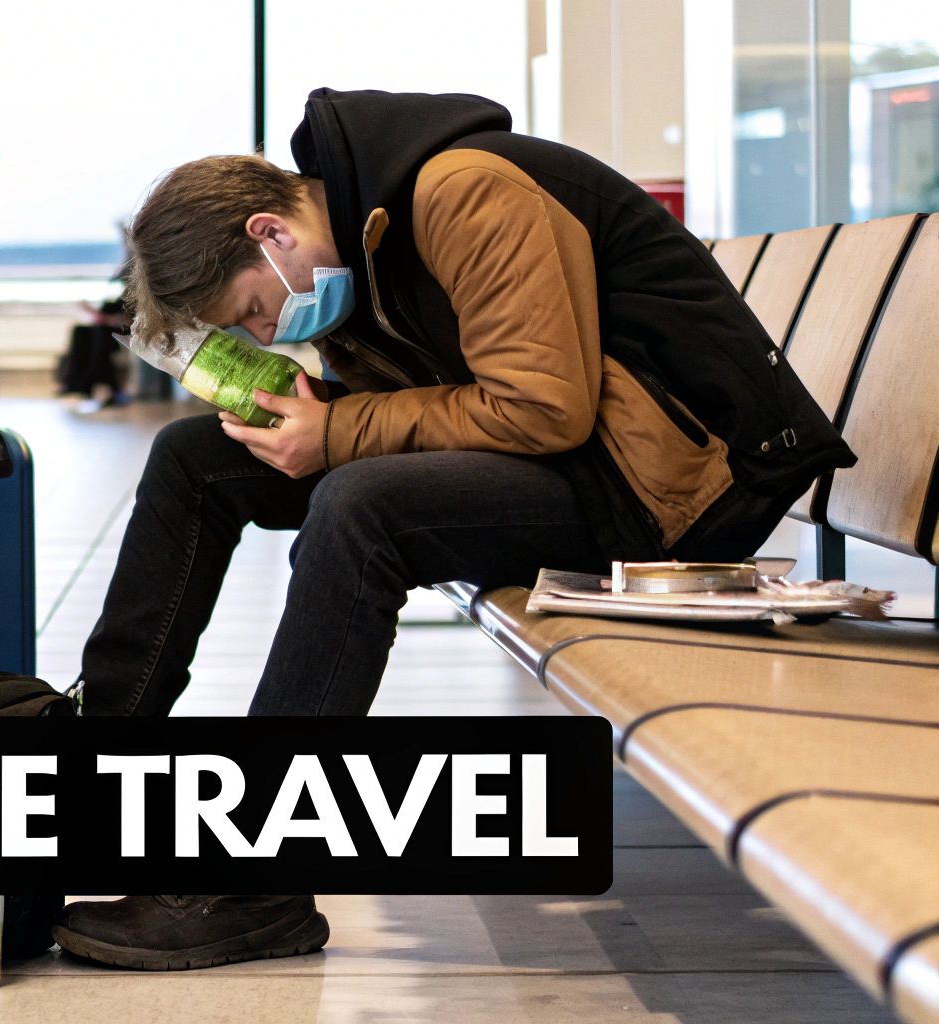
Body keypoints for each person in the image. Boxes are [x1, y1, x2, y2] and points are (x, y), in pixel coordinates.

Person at [53, 88, 854, 970]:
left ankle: (256, 881)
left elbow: (543, 409)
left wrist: (338, 435)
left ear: (268, 235)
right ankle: (91, 789)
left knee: (362, 512)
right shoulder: (364, 243)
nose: (265, 330)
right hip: (591, 461)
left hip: (676, 487)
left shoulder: (466, 191)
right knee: (192, 458)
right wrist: (323, 418)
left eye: (251, 310)